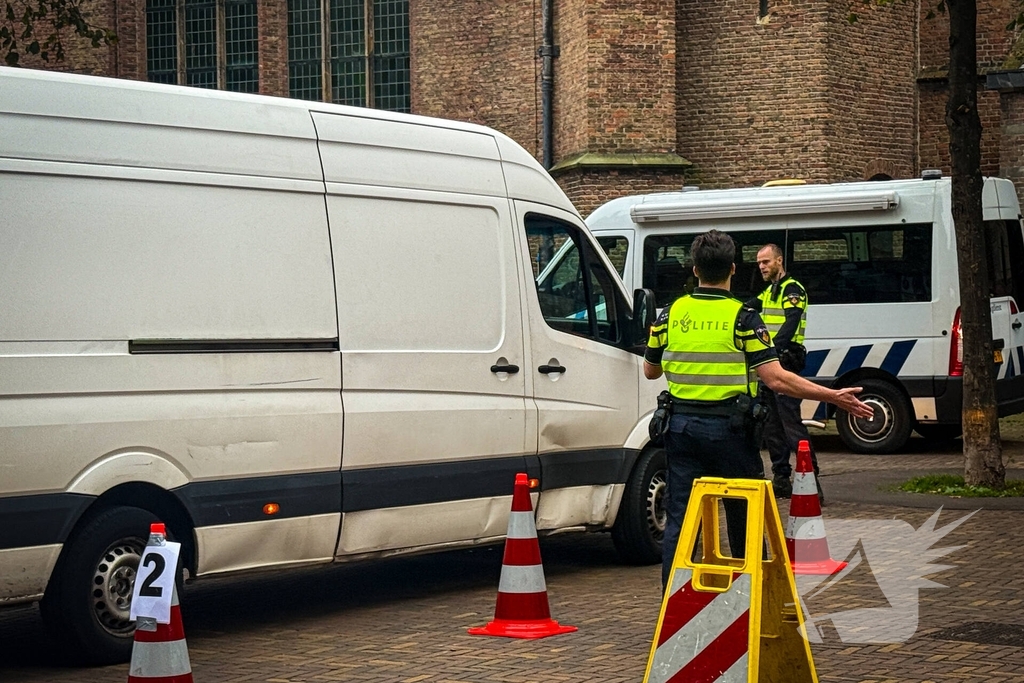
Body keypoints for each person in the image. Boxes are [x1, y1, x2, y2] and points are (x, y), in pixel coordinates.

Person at [644, 230, 873, 589]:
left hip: (681, 428)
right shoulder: (743, 317)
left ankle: (674, 603)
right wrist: (833, 396)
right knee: (744, 516)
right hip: (731, 432)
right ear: (733, 269)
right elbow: (777, 379)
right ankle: (745, 599)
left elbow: (650, 369)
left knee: (680, 520)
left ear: (694, 269)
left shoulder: (669, 314)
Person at [745, 244, 814, 500]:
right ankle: (782, 478)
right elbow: (749, 307)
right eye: (759, 263)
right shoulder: (770, 291)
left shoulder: (791, 289)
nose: (762, 266)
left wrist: (771, 350)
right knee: (771, 426)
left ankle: (812, 481)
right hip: (772, 363)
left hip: (784, 361)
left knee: (791, 425)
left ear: (779, 261)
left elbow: (791, 320)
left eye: (766, 261)